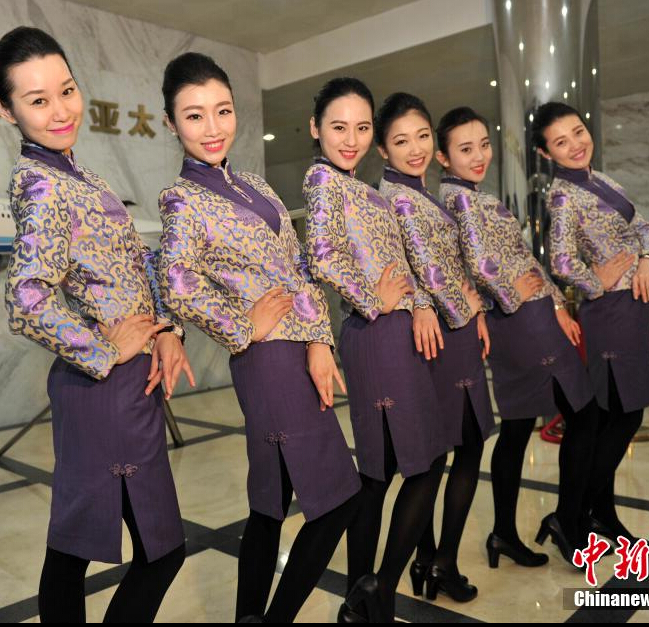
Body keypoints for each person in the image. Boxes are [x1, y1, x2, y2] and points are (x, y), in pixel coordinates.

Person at [0, 26, 194, 623]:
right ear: (5, 109)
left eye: (67, 90)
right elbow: (25, 297)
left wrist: (162, 327)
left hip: (120, 388)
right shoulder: (40, 182)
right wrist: (105, 349)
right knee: (149, 551)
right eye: (37, 100)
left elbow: (129, 268)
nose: (60, 111)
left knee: (81, 550)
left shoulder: (82, 176)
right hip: (102, 387)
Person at [156, 52, 362, 623]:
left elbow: (298, 269)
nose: (214, 126)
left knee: (268, 508)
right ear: (171, 123)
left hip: (297, 352)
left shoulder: (257, 187)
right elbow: (174, 278)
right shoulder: (183, 199)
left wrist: (320, 339)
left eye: (223, 110)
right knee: (336, 501)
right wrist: (240, 326)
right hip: (266, 362)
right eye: (195, 116)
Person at [303, 77, 448, 622]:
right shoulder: (323, 180)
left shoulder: (357, 186)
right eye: (339, 127)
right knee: (424, 464)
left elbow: (400, 262)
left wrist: (418, 301)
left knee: (380, 471)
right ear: (316, 129)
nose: (351, 139)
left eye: (362, 128)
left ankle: (361, 595)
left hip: (391, 333)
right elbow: (320, 257)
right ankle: (378, 587)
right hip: (377, 333)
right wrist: (376, 299)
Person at [437, 106, 599, 566]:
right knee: (582, 417)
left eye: (484, 145)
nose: (479, 156)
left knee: (517, 430)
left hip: (530, 317)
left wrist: (554, 300)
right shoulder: (462, 199)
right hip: (523, 322)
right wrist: (517, 293)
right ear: (444, 158)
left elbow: (522, 256)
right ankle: (566, 523)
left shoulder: (472, 193)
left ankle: (506, 533)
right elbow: (480, 262)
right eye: (465, 149)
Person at [375, 93, 495, 602]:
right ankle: (437, 562)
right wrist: (466, 306)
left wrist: (477, 306)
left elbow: (456, 260)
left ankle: (429, 561)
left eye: (423, 135)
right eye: (402, 141)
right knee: (453, 450)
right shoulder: (398, 197)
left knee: (447, 450)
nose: (417, 148)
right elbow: (424, 270)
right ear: (383, 149)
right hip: (440, 335)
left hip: (454, 330)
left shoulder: (419, 192)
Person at [535, 101, 649, 543]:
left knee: (618, 416)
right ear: (547, 153)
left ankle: (598, 513)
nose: (575, 144)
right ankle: (574, 512)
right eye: (561, 141)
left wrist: (646, 260)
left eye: (578, 131)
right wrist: (597, 283)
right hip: (609, 312)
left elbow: (644, 226)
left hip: (632, 308)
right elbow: (561, 260)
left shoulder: (601, 179)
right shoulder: (564, 194)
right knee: (623, 416)